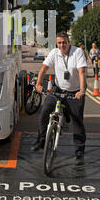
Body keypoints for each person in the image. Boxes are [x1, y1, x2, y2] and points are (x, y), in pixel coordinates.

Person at [32, 31, 87, 165]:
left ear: (69, 42)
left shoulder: (77, 52)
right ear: (57, 43)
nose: (62, 45)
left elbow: (82, 72)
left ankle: (79, 152)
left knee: (77, 121)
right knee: (44, 112)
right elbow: (43, 69)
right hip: (58, 89)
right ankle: (41, 139)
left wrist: (81, 90)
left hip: (74, 92)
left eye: (64, 42)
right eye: (59, 43)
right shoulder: (54, 53)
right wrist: (38, 84)